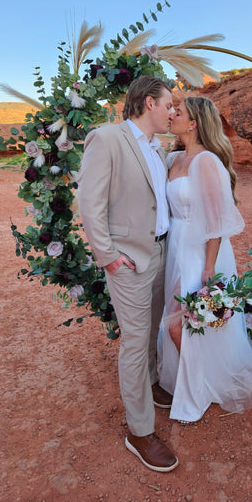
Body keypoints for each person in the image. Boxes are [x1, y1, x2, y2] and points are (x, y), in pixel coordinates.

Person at [78, 76, 179, 472]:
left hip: (161, 252)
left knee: (153, 327)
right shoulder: (107, 139)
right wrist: (109, 257)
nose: (173, 112)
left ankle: (152, 383)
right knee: (135, 342)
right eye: (169, 104)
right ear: (149, 103)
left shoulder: (158, 148)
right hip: (129, 262)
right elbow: (90, 203)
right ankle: (139, 431)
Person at [157, 96, 252, 424]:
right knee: (182, 321)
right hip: (175, 245)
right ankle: (195, 378)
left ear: (193, 123)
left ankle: (199, 389)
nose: (172, 116)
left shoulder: (206, 161)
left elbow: (217, 220)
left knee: (179, 323)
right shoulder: (173, 157)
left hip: (198, 248)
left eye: (178, 113)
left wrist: (209, 266)